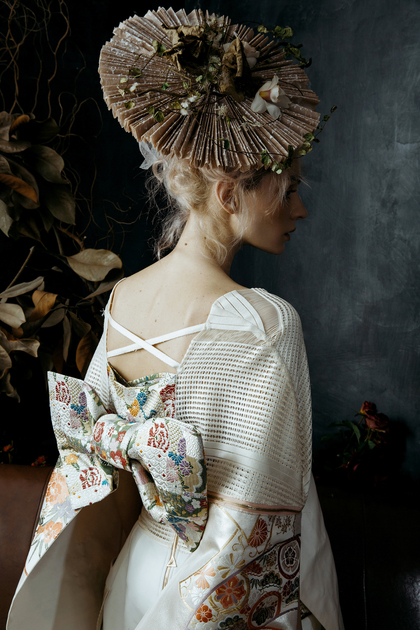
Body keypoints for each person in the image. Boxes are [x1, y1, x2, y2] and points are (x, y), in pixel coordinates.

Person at [7, 7, 343, 630]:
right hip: (203, 594)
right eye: (288, 187)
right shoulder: (263, 323)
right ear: (229, 192)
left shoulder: (123, 296)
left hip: (132, 572)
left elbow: (99, 474)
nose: (299, 209)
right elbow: (253, 531)